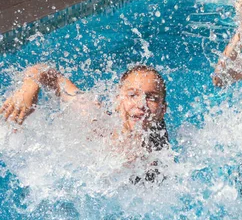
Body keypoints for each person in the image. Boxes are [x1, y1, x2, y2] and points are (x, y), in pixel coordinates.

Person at [1, 64, 169, 180]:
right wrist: (29, 87)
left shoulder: (160, 154)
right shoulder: (93, 117)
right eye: (132, 95)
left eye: (152, 98)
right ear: (117, 100)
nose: (141, 104)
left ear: (162, 110)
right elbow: (46, 72)